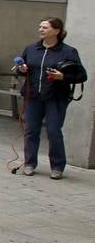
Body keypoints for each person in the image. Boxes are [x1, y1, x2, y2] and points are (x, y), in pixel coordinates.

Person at [16, 17, 86, 180]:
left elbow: (82, 75)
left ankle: (57, 166)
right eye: (40, 27)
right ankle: (29, 163)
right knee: (30, 131)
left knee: (54, 131)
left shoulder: (68, 52)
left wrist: (63, 76)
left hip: (56, 98)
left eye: (45, 27)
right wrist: (21, 69)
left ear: (56, 31)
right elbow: (21, 70)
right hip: (33, 97)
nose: (41, 30)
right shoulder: (31, 49)